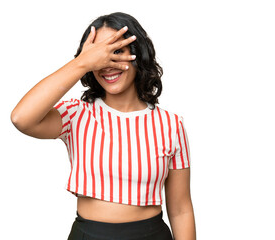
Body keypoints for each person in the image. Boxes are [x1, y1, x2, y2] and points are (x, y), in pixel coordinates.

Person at [11, 12, 196, 240]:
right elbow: (22, 118)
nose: (106, 63)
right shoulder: (76, 114)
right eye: (98, 54)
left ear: (137, 55)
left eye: (116, 51)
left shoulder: (170, 124)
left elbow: (180, 210)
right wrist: (82, 63)